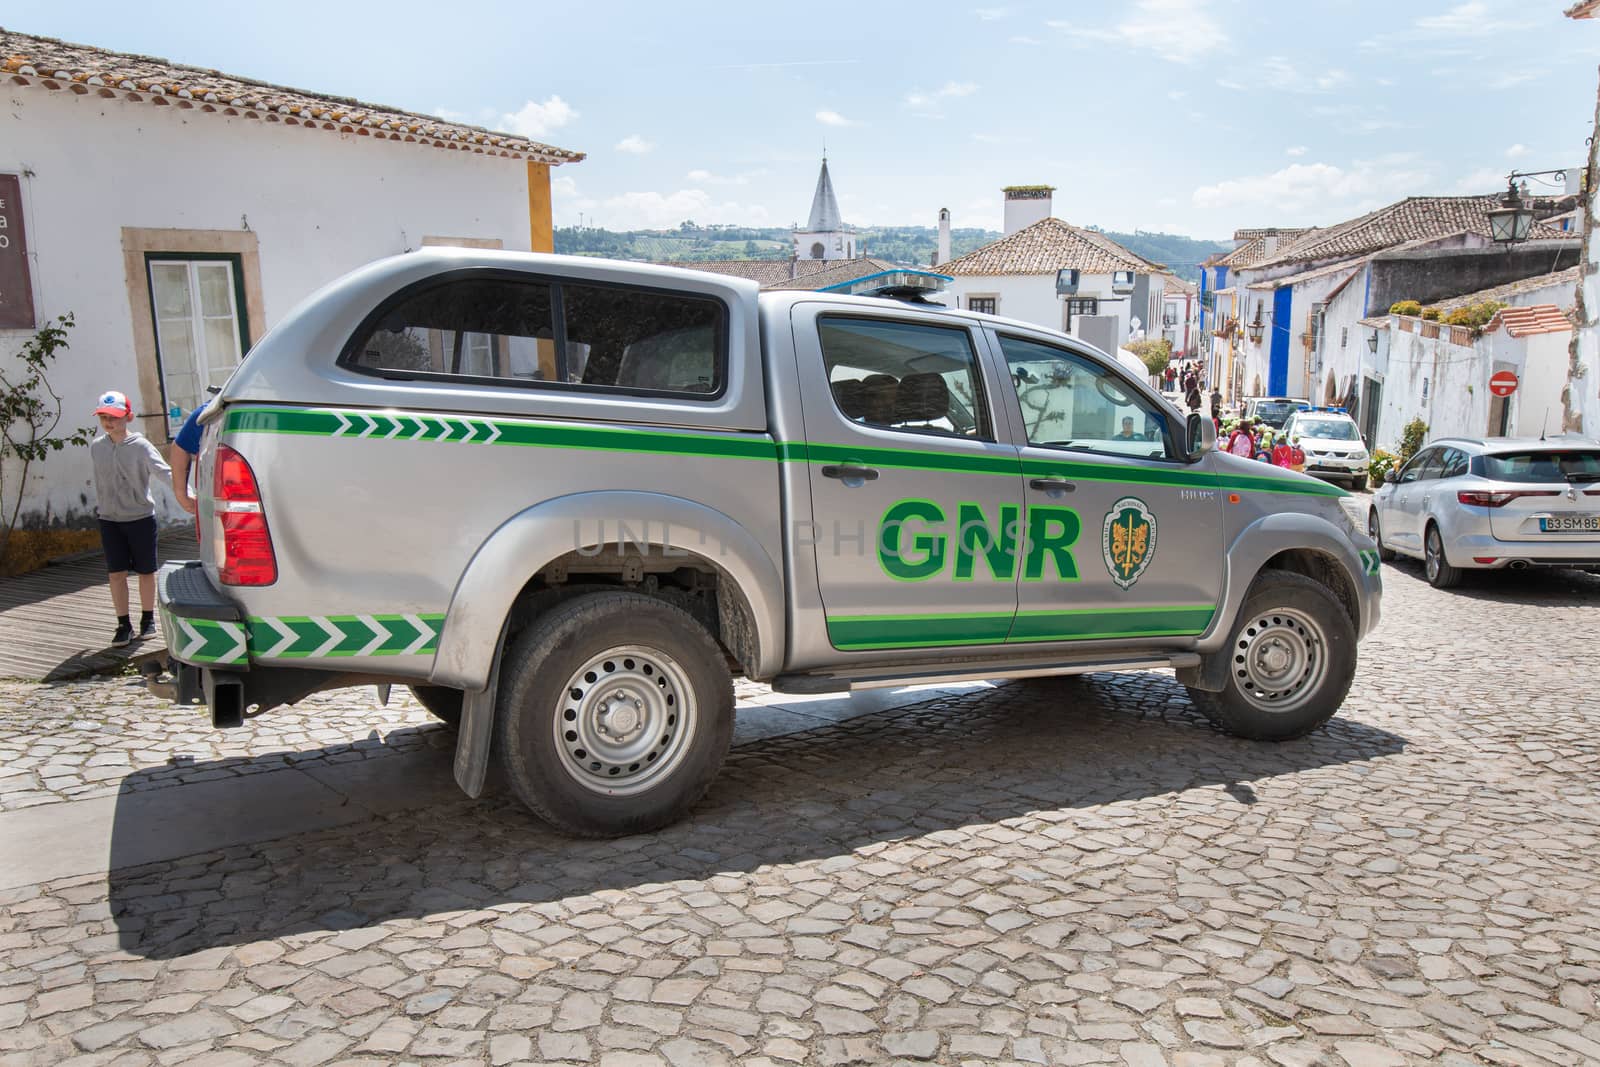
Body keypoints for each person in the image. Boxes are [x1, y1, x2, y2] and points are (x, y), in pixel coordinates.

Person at [90, 390, 172, 647]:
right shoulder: (97, 447)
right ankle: (122, 623)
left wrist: (187, 495)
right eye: (103, 416)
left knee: (146, 572)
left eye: (114, 416)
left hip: (140, 519)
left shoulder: (141, 446)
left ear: (129, 417)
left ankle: (147, 619)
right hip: (110, 520)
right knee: (116, 573)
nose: (108, 421)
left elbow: (164, 472)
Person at [169, 399, 208, 517]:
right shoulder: (211, 411)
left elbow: (179, 447)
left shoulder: (215, 408)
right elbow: (180, 447)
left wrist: (183, 497)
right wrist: (183, 497)